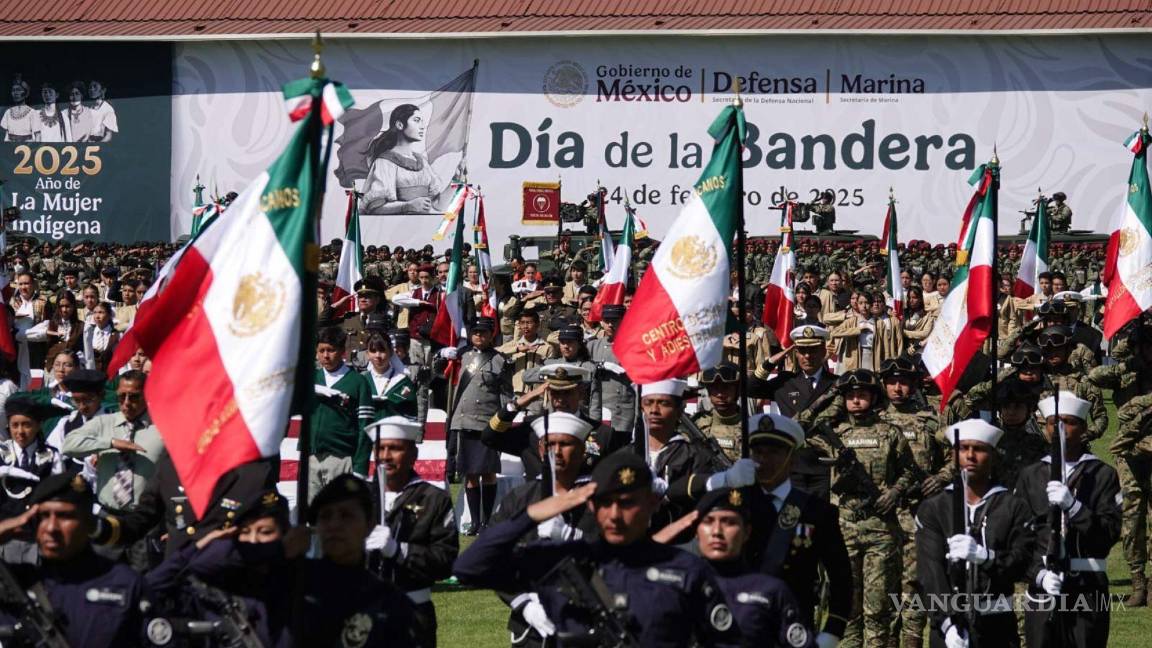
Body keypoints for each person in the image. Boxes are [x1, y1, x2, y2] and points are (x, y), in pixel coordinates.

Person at [453, 451, 741, 647]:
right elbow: (470, 568)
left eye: (628, 503)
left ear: (653, 504)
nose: (615, 515)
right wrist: (532, 514)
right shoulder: (563, 563)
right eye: (605, 503)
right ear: (591, 505)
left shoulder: (685, 570)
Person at [809, 369, 919, 648]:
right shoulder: (835, 433)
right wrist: (834, 393)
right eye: (851, 396)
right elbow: (804, 423)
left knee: (878, 606)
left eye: (862, 395)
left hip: (881, 529)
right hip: (844, 528)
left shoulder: (890, 433)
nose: (856, 401)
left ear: (874, 397)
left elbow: (909, 471)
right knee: (846, 605)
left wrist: (894, 492)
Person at [916, 419, 1036, 648]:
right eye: (963, 448)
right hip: (948, 630)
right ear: (953, 455)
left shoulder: (1012, 506)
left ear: (992, 455)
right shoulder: (935, 508)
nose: (970, 456)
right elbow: (930, 572)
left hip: (997, 625)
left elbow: (1022, 562)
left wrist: (986, 557)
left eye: (979, 449)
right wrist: (948, 624)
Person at [1016, 392, 1120, 648]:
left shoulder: (1103, 475)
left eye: (1069, 421)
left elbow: (1108, 535)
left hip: (1087, 588)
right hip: (1043, 587)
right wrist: (1038, 575)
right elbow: (1017, 540)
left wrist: (1074, 508)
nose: (1060, 429)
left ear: (1083, 428)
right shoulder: (1031, 475)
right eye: (1053, 422)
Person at [487, 411, 600, 647]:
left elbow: (617, 555)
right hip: (531, 625)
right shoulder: (520, 498)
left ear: (582, 451)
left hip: (587, 618)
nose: (556, 452)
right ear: (540, 449)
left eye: (565, 444)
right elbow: (492, 555)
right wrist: (522, 602)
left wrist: (576, 537)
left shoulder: (599, 499)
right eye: (549, 444)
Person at [739, 413, 852, 648]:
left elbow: (841, 579)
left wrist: (831, 633)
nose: (764, 460)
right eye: (758, 452)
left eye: (774, 452)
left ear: (792, 459)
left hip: (792, 630)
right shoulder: (734, 505)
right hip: (739, 627)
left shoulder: (817, 512)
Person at [0, 473, 145, 646]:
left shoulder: (124, 584)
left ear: (88, 523)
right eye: (44, 516)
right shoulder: (18, 583)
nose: (52, 527)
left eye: (64, 516)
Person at [364, 416, 458, 648]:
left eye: (395, 449)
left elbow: (446, 560)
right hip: (363, 612)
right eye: (380, 449)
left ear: (413, 455)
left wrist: (400, 551)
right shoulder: (359, 497)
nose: (386, 456)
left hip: (412, 613)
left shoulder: (434, 499)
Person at [877, 357, 947, 648]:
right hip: (882, 515)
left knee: (914, 581)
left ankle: (912, 638)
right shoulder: (874, 418)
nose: (897, 388)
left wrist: (942, 477)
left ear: (914, 385)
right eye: (892, 382)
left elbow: (957, 453)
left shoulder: (931, 419)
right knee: (883, 583)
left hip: (920, 511)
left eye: (904, 382)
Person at [749, 325, 839, 500]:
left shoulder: (836, 383)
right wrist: (770, 362)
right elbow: (750, 388)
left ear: (823, 351)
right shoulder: (786, 382)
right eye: (802, 351)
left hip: (824, 464)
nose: (807, 356)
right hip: (792, 463)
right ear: (795, 353)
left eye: (813, 350)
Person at [444, 317, 511, 532]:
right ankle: (474, 521)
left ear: (492, 335)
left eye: (483, 333)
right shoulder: (461, 356)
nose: (479, 336)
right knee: (471, 473)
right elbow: (439, 373)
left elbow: (506, 395)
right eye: (475, 333)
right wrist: (440, 356)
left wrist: (503, 424)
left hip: (488, 424)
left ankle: (487, 520)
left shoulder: (500, 360)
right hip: (465, 421)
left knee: (488, 472)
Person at [308, 327, 374, 496]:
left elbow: (365, 427)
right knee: (311, 515)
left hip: (342, 459)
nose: (326, 355)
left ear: (342, 351)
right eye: (321, 350)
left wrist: (360, 466)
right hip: (311, 458)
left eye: (331, 350)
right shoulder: (310, 378)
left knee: (340, 513)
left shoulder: (358, 382)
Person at [0, 396, 65, 564]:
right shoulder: (1, 453)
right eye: (15, 425)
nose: (20, 431)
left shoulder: (51, 456)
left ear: (38, 426)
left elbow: (58, 496)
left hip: (36, 536)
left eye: (26, 424)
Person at [362, 103, 459, 215]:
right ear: (399, 125)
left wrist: (455, 180)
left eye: (422, 121)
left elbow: (438, 205)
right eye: (417, 120)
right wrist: (407, 206)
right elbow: (375, 208)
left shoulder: (422, 162)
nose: (422, 126)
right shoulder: (385, 162)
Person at [586, 304, 636, 453]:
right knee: (595, 453)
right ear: (601, 322)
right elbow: (583, 367)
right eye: (607, 320)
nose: (610, 324)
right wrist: (599, 365)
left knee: (622, 453)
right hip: (598, 408)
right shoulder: (593, 346)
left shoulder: (633, 345)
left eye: (615, 320)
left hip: (624, 410)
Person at [693, 362, 745, 463]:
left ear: (737, 390)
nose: (720, 394)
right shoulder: (697, 424)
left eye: (726, 388)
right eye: (715, 388)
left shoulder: (751, 427)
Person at [363, 330, 418, 420]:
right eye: (373, 351)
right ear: (367, 354)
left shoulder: (403, 382)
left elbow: (412, 418)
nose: (378, 355)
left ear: (391, 352)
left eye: (382, 350)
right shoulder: (362, 380)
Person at [1, 75, 37, 142]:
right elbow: (4, 134)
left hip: (27, 147)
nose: (15, 93)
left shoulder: (32, 113)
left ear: (26, 93)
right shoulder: (8, 112)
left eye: (18, 90)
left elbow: (38, 136)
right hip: (10, 147)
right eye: (13, 90)